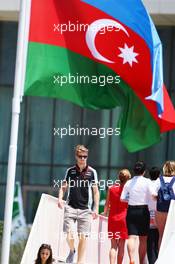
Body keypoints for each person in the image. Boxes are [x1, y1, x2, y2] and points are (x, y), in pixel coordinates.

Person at [58, 145, 99, 264]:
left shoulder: (92, 172)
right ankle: (72, 250)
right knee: (68, 234)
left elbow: (96, 192)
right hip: (70, 206)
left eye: (85, 156)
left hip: (85, 210)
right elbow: (63, 187)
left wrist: (95, 208)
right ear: (76, 157)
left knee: (83, 237)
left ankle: (79, 262)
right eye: (80, 156)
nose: (83, 159)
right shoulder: (70, 171)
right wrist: (60, 198)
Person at [121, 161, 153, 264]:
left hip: (131, 210)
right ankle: (141, 261)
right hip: (143, 210)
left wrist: (131, 199)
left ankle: (131, 259)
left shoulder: (129, 182)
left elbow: (122, 198)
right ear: (144, 171)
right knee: (143, 239)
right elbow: (153, 194)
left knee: (131, 237)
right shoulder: (147, 181)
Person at [103, 169, 131, 264]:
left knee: (113, 246)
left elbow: (106, 204)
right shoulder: (129, 190)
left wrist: (105, 213)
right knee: (121, 245)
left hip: (113, 219)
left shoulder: (111, 188)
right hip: (124, 219)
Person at [153, 161, 175, 249]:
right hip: (172, 210)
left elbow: (152, 193)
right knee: (172, 236)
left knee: (161, 235)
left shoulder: (159, 180)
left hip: (160, 210)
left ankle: (160, 258)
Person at [147, 167, 160, 264]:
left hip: (147, 213)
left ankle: (151, 261)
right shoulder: (161, 183)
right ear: (159, 175)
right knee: (158, 240)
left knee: (150, 242)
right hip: (159, 213)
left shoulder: (147, 183)